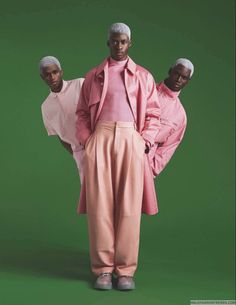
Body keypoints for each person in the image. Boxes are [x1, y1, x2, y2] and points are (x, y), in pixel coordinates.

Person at [76, 23, 161, 290]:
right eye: (115, 41)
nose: (119, 46)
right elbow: (80, 114)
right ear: (108, 43)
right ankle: (102, 270)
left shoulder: (144, 77)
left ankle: (125, 270)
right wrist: (88, 141)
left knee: (129, 207)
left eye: (124, 41)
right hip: (99, 138)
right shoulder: (93, 76)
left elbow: (153, 115)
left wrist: (143, 141)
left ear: (130, 43)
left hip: (131, 139)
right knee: (100, 206)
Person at [39, 56, 84, 180]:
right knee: (92, 192)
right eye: (47, 74)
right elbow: (60, 136)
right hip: (80, 153)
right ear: (42, 78)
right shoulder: (46, 107)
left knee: (114, 184)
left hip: (99, 143)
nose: (52, 77)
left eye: (55, 72)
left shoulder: (80, 84)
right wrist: (76, 153)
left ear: (61, 72)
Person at [148, 58, 194, 176]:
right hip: (121, 147)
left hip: (143, 163)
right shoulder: (146, 89)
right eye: (177, 74)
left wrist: (149, 172)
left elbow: (166, 151)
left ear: (188, 81)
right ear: (170, 71)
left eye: (184, 78)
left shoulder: (180, 116)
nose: (179, 79)